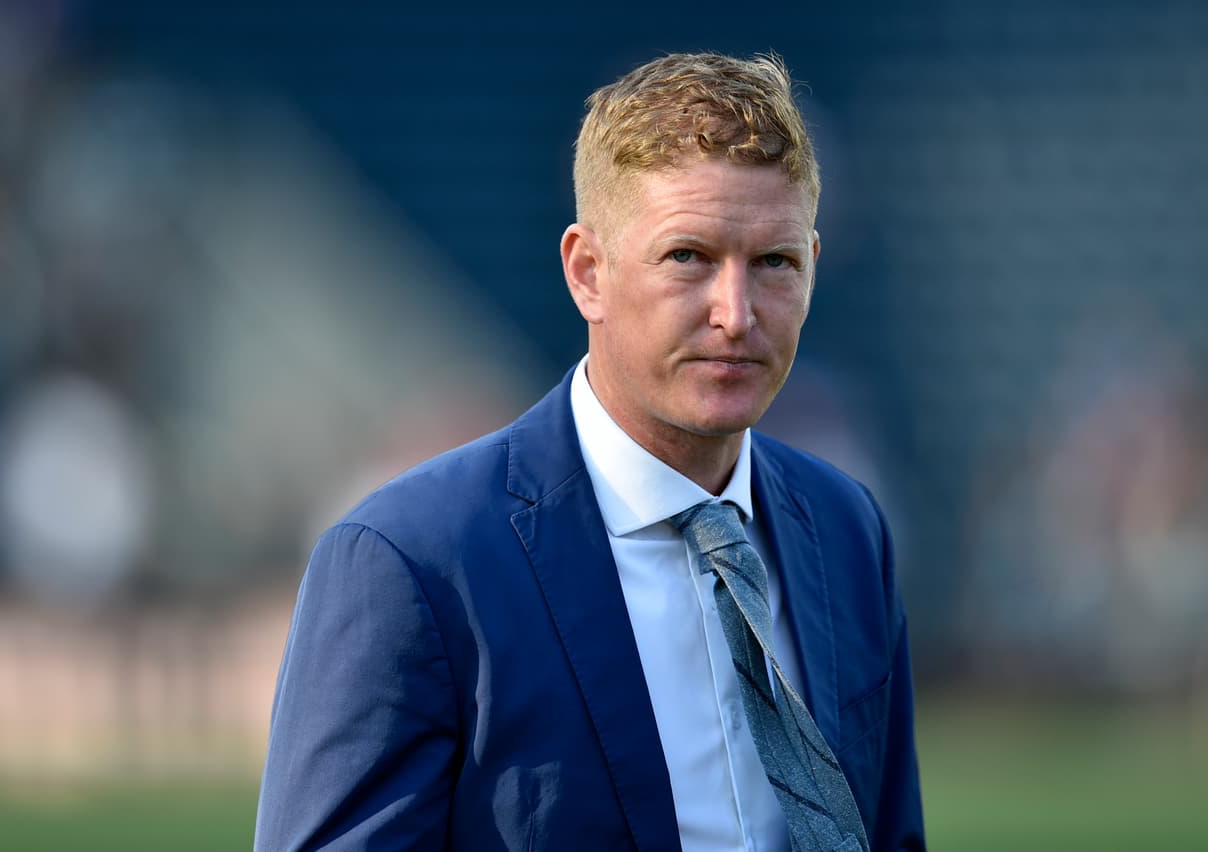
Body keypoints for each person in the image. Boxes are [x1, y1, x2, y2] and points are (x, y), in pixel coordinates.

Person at [255, 51, 925, 851]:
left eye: (774, 262)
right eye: (689, 258)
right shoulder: (413, 564)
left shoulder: (845, 530)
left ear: (814, 267)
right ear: (588, 273)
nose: (736, 313)